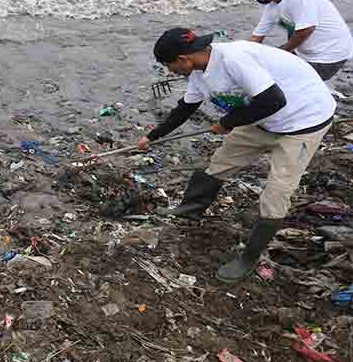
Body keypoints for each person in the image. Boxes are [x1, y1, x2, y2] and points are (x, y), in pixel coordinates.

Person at [139, 28, 335, 282]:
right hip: (260, 119)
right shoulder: (198, 73)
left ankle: (249, 258)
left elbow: (274, 100)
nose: (169, 72)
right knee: (220, 162)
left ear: (184, 59)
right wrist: (152, 136)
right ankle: (191, 208)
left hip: (302, 122)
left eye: (169, 66)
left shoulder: (234, 59)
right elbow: (184, 109)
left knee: (276, 192)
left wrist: (228, 122)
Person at [248, 0, 353, 81]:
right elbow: (257, 36)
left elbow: (306, 30)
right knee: (266, 68)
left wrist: (283, 52)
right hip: (304, 53)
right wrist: (246, 55)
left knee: (278, 81)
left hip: (329, 57)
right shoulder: (272, 6)